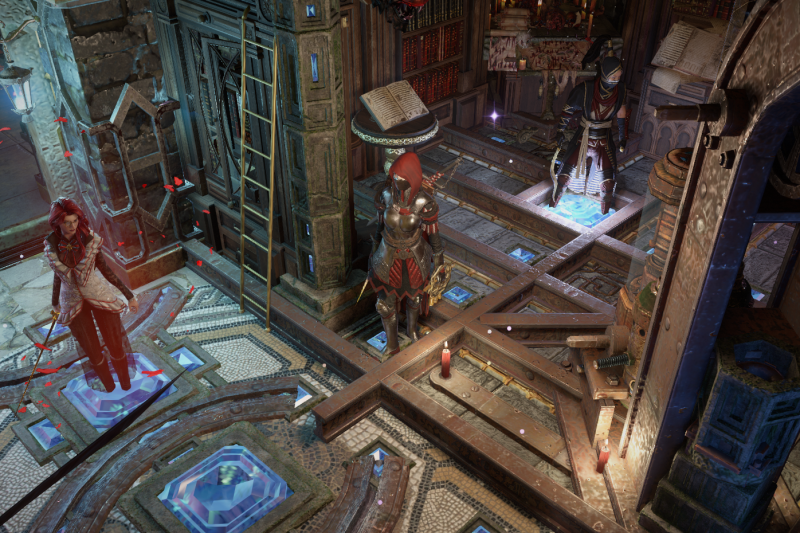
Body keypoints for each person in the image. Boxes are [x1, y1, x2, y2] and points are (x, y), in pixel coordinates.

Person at [45, 198, 139, 392]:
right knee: (92, 350)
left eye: (74, 221)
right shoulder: (52, 245)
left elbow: (106, 270)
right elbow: (57, 277)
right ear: (57, 223)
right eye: (67, 222)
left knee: (115, 343)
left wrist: (129, 296)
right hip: (72, 302)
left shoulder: (90, 239)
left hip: (99, 295)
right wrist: (55, 303)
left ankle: (126, 384)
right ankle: (109, 388)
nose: (72, 226)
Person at [369, 153, 444, 355]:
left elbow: (434, 234)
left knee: (415, 299)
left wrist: (439, 261)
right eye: (395, 175)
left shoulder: (424, 202)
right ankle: (392, 345)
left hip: (415, 257)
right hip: (387, 255)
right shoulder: (385, 195)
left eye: (402, 176)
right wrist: (374, 247)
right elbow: (379, 226)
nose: (397, 179)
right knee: (385, 305)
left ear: (412, 177)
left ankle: (412, 331)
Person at [552, 54, 628, 215]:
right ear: (605, 73)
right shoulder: (585, 89)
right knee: (564, 177)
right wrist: (560, 131)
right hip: (583, 138)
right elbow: (568, 110)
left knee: (607, 183)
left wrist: (623, 137)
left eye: (618, 77)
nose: (616, 81)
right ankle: (553, 205)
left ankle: (605, 215)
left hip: (604, 141)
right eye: (613, 77)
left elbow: (621, 114)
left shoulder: (620, 91)